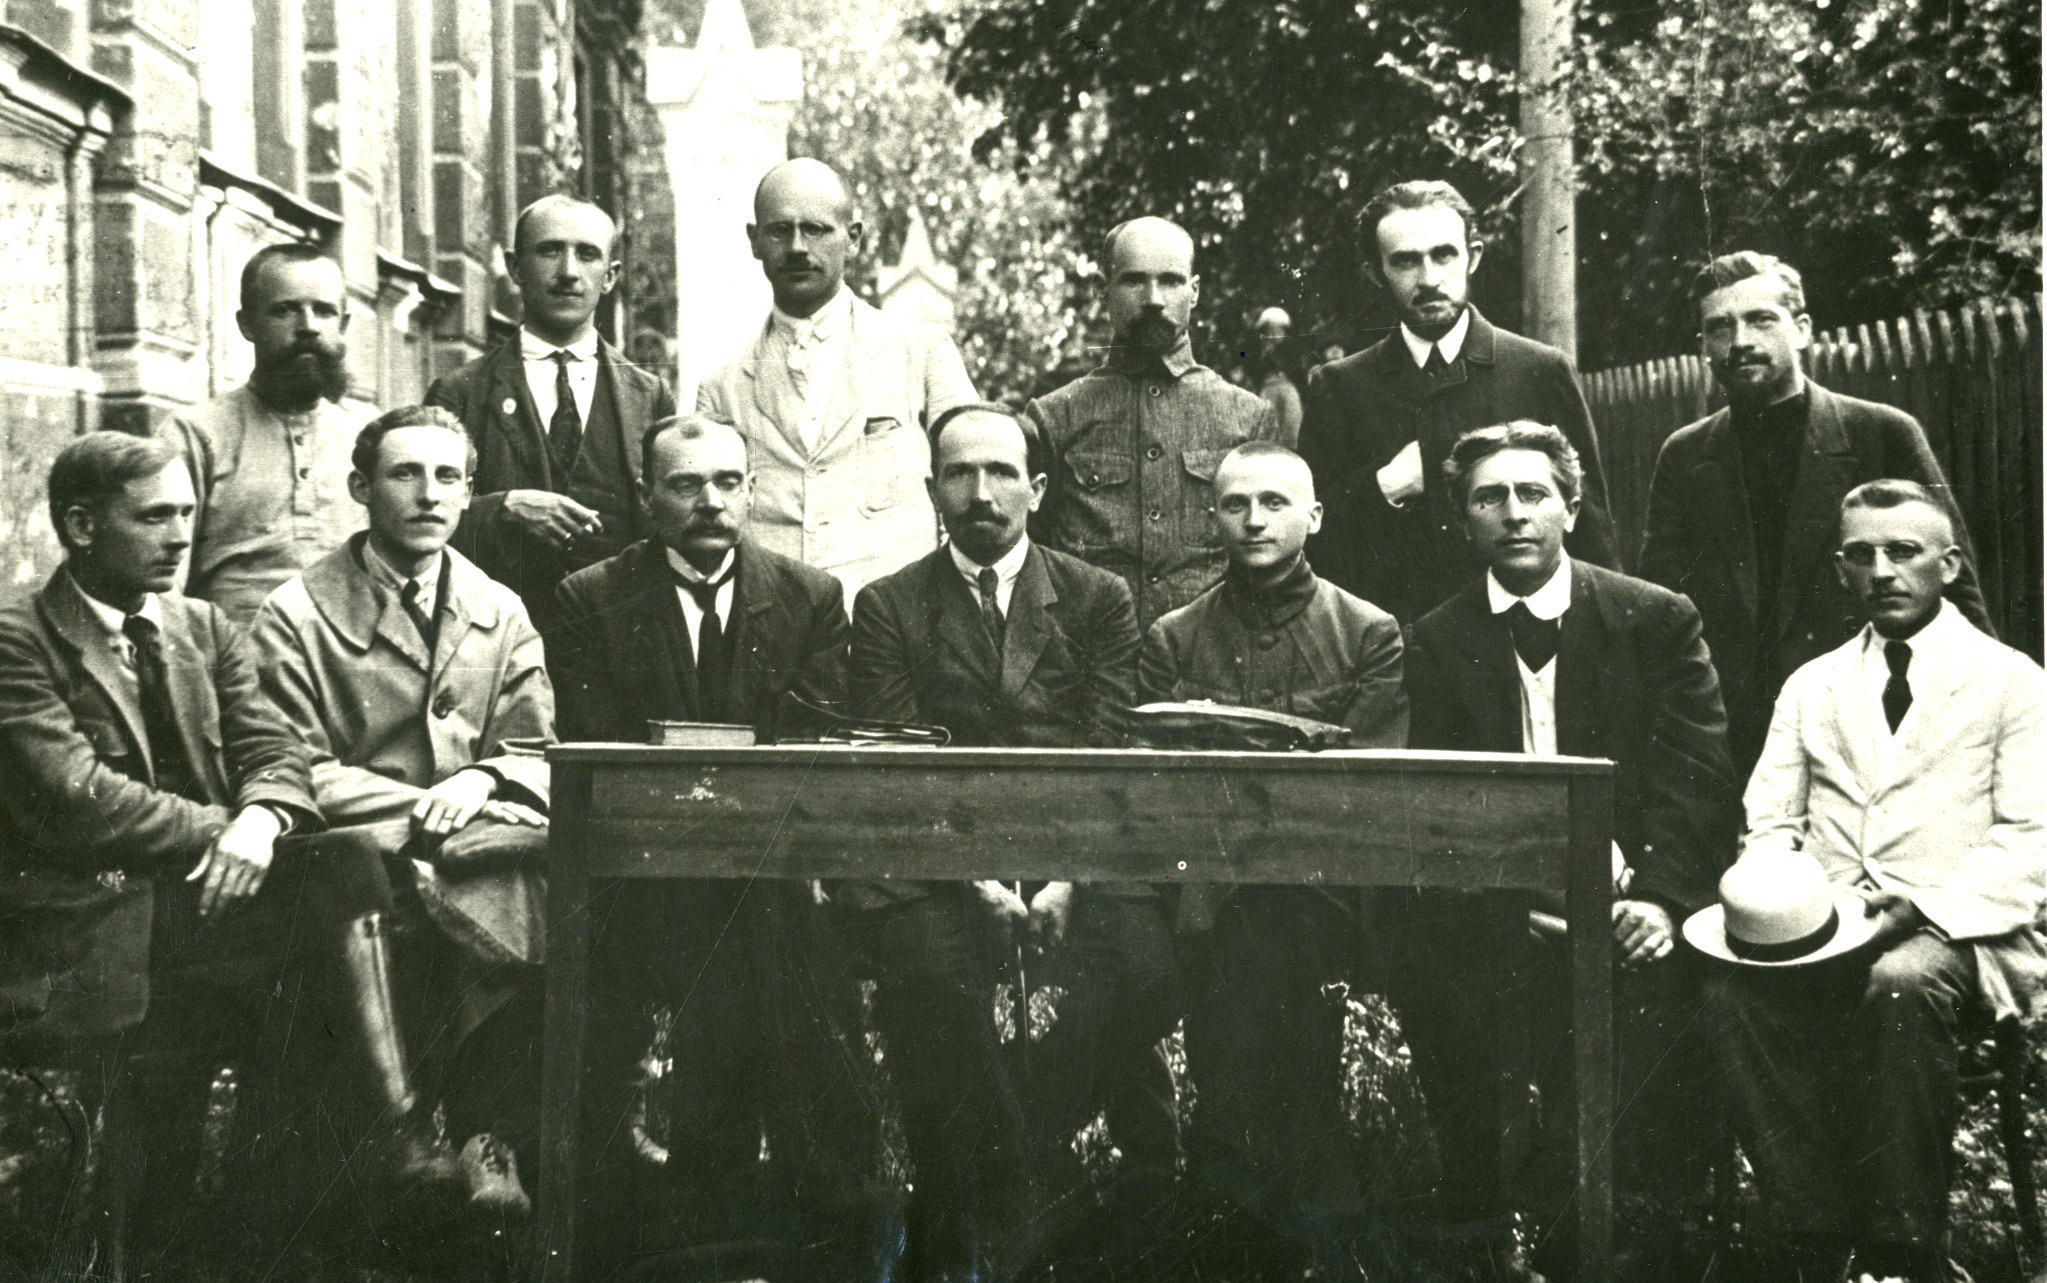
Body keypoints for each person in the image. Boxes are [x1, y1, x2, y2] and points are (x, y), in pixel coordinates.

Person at [0, 433, 424, 1264]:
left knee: (343, 866)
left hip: (207, 904)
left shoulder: (205, 625)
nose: (180, 536)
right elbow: (77, 796)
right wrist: (223, 830)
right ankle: (377, 1160)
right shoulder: (19, 638)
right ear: (81, 526)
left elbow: (277, 751)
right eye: (153, 516)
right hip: (90, 922)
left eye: (188, 513)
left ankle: (327, 1193)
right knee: (322, 933)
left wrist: (261, 820)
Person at [1398, 422, 1740, 1276]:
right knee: (1443, 984)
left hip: (1632, 894)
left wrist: (1659, 898)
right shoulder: (1433, 638)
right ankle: (1487, 1219)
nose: (1513, 513)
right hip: (1501, 903)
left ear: (1571, 508)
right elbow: (1437, 806)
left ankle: (1636, 1223)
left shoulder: (1653, 618)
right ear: (1462, 520)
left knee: (1659, 1008)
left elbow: (1698, 775)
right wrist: (1506, 897)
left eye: (1533, 493)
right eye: (1489, 497)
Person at [1690, 480, 2045, 1283]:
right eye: (1860, 554)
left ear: (1948, 565)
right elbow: (1770, 818)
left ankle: (1900, 1250)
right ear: (1838, 569)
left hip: (1962, 928)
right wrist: (1783, 901)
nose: (1881, 570)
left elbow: (2031, 836)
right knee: (1729, 995)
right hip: (1824, 928)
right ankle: (1815, 1236)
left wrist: (1923, 906)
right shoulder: (1811, 683)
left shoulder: (2011, 681)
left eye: (1903, 551)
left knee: (1898, 984)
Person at [548, 414, 875, 1276]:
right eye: (687, 484)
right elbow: (599, 746)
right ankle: (688, 1220)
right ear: (647, 496)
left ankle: (809, 1212)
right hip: (640, 877)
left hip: (768, 870)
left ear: (752, 490)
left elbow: (810, 747)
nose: (711, 502)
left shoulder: (809, 598)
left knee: (775, 948)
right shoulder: (590, 597)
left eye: (729, 482)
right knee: (733, 955)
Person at [848, 402, 1151, 1282]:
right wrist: (974, 877)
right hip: (941, 868)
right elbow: (900, 766)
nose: (981, 493)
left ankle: (1003, 1154)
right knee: (924, 975)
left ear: (1038, 488)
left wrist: (1066, 877)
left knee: (1145, 967)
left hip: (1072, 859)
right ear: (931, 489)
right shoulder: (888, 605)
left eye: (1001, 472)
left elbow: (1106, 749)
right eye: (960, 473)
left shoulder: (1098, 598)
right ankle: (1017, 1190)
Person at [250, 405, 555, 1216]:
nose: (429, 494)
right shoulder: (295, 612)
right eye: (405, 473)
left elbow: (535, 746)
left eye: (448, 476)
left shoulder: (499, 608)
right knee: (429, 887)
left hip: (478, 837)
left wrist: (485, 778)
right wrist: (427, 804)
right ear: (360, 487)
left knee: (529, 879)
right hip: (354, 850)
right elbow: (289, 765)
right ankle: (407, 1131)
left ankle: (490, 1135)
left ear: (470, 491)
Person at [1137, 440, 1405, 1278]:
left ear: (1313, 517)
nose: (1253, 519)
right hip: (1200, 888)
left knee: (1270, 964)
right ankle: (1288, 1206)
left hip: (1321, 886)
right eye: (1234, 503)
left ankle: (1252, 1205)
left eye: (1274, 502)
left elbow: (1362, 787)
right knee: (1236, 978)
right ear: (1212, 517)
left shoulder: (1367, 632)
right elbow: (1158, 785)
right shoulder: (1172, 639)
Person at [1638, 252, 1991, 777]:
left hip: (1866, 731)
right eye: (1720, 327)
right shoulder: (1686, 455)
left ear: (1801, 330)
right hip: (1728, 739)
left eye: (1761, 319)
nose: (1740, 341)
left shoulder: (1882, 434)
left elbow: (1955, 591)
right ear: (1703, 347)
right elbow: (1659, 611)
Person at [1297, 181, 1617, 625]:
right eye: (1406, 261)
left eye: (1444, 255)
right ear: (1376, 272)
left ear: (1474, 257)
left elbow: (1590, 533)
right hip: (1390, 644)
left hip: (1518, 637)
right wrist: (1385, 488)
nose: (1429, 279)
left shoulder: (1540, 371)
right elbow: (1308, 539)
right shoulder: (1339, 387)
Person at [697, 159, 978, 607]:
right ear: (754, 241)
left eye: (815, 230)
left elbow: (972, 490)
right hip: (775, 626)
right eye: (779, 231)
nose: (797, 247)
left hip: (896, 624)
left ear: (853, 238)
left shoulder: (923, 352)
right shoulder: (722, 388)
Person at [425, 194, 676, 631]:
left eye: (587, 254)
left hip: (617, 643)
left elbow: (669, 524)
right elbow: (423, 515)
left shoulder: (648, 395)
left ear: (610, 276)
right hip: (495, 638)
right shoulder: (460, 392)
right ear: (515, 268)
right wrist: (502, 509)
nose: (568, 272)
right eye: (549, 251)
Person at [1027, 216, 1276, 632]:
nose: (1154, 299)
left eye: (1171, 281)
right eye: (1134, 281)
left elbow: (1269, 562)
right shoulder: (1055, 417)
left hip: (1210, 652)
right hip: (1090, 653)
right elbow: (1031, 561)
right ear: (1103, 289)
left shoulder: (1248, 418)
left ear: (1194, 292)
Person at [168, 243, 377, 624]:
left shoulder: (369, 437)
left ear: (344, 326)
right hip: (234, 651)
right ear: (247, 325)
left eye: (324, 311)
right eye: (284, 310)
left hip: (353, 650)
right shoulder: (195, 433)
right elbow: (164, 581)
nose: (308, 326)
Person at [1249, 306, 1304, 446]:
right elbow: (1255, 373)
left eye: (1279, 329)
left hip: (1287, 390)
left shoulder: (1291, 351)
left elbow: (1297, 374)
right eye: (1270, 329)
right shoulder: (1258, 351)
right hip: (1268, 391)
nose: (1275, 333)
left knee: (1291, 428)